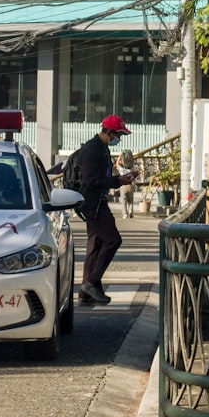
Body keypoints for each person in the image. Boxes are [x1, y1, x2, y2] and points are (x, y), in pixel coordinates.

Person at [76, 114, 137, 305]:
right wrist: (117, 181)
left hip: (96, 202)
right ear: (109, 132)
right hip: (93, 204)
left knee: (95, 246)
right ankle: (91, 283)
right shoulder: (92, 151)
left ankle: (86, 292)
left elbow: (99, 179)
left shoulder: (100, 149)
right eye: (118, 135)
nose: (118, 139)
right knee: (112, 240)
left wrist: (119, 180)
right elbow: (90, 181)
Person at [115, 151, 135, 218]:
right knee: (131, 200)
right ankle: (130, 211)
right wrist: (131, 157)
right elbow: (132, 163)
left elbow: (117, 164)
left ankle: (125, 214)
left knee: (123, 200)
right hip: (131, 185)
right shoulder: (132, 168)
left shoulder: (122, 169)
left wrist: (119, 157)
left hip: (123, 185)